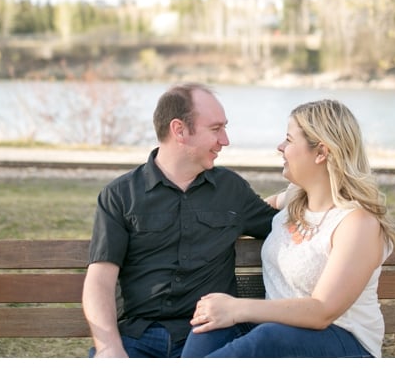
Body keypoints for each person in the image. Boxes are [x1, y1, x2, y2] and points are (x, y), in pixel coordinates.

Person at [181, 99, 395, 358]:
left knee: (266, 336)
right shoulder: (294, 199)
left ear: (321, 152)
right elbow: (252, 210)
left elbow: (322, 311)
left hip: (344, 342)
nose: (280, 147)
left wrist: (237, 308)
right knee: (209, 325)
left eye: (288, 140)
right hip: (277, 336)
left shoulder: (357, 224)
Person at [82, 83, 278, 358]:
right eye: (215, 129)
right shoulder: (120, 195)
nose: (225, 140)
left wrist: (290, 197)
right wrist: (109, 347)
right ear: (179, 130)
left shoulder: (231, 190)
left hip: (210, 335)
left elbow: (284, 226)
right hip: (138, 338)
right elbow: (100, 281)